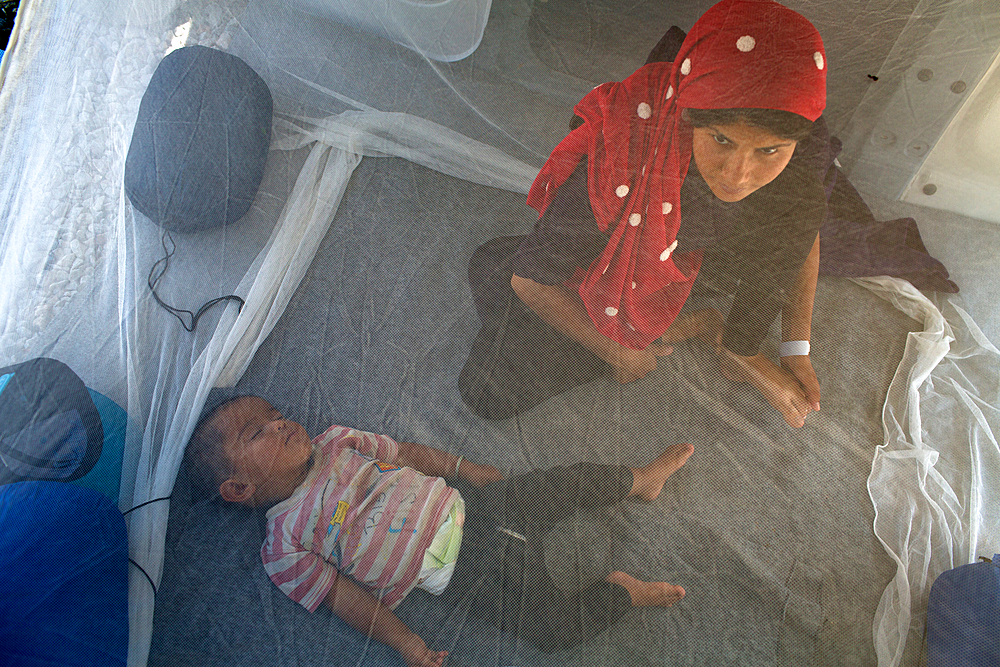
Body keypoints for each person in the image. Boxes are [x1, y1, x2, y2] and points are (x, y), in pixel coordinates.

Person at [459, 0, 833, 428]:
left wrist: (793, 349)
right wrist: (620, 352)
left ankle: (725, 342)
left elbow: (803, 231)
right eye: (721, 140)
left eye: (768, 151)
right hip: (606, 260)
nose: (738, 175)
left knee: (797, 203)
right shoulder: (622, 159)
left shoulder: (796, 149)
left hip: (688, 257)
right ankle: (684, 325)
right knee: (486, 391)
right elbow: (530, 280)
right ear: (690, 115)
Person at [185, 395, 692, 667]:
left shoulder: (337, 442)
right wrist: (406, 643)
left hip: (475, 505)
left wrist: (466, 467)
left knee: (563, 484)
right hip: (463, 577)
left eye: (274, 415)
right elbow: (348, 600)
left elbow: (404, 452)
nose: (279, 424)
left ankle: (639, 481)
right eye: (258, 432)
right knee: (552, 632)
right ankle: (619, 593)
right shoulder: (284, 547)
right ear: (238, 488)